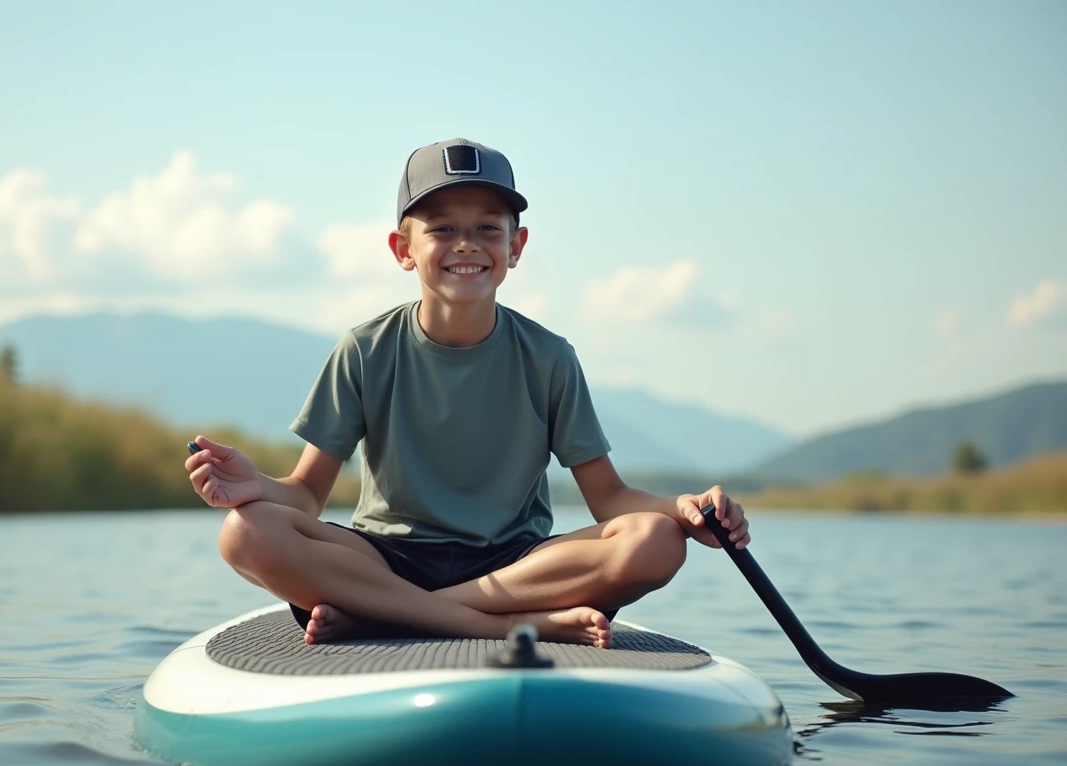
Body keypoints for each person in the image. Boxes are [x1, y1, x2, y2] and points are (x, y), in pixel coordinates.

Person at [185, 138, 750, 648]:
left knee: (656, 541)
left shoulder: (550, 357)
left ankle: (392, 618)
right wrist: (253, 485)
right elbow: (306, 495)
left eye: (487, 228)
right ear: (402, 249)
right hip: (387, 560)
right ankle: (497, 627)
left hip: (517, 566)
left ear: (516, 245)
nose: (467, 245)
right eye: (441, 229)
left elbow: (608, 499)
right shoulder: (364, 349)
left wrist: (682, 508)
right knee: (246, 532)